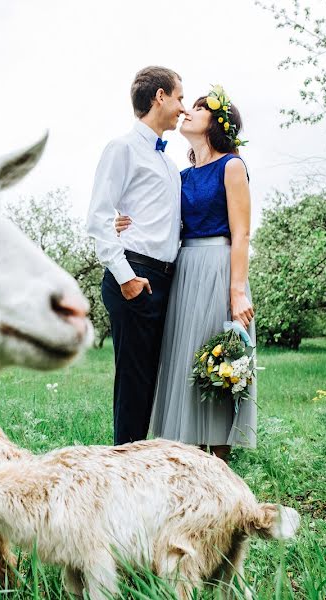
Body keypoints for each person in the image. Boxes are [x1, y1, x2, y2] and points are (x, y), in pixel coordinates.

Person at [115, 86, 256, 461]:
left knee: (218, 360)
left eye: (200, 107)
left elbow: (241, 232)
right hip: (184, 269)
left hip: (218, 268)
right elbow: (162, 218)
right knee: (187, 362)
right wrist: (123, 225)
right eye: (188, 104)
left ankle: (220, 467)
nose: (189, 111)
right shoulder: (182, 175)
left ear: (218, 123)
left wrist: (237, 291)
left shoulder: (232, 166)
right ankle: (190, 465)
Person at [85, 66, 186, 445]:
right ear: (159, 96)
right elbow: (98, 216)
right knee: (134, 383)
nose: (181, 107)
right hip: (136, 274)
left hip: (165, 277)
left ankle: (142, 466)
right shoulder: (122, 148)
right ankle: (124, 475)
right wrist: (126, 276)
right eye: (178, 98)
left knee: (152, 382)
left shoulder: (168, 162)